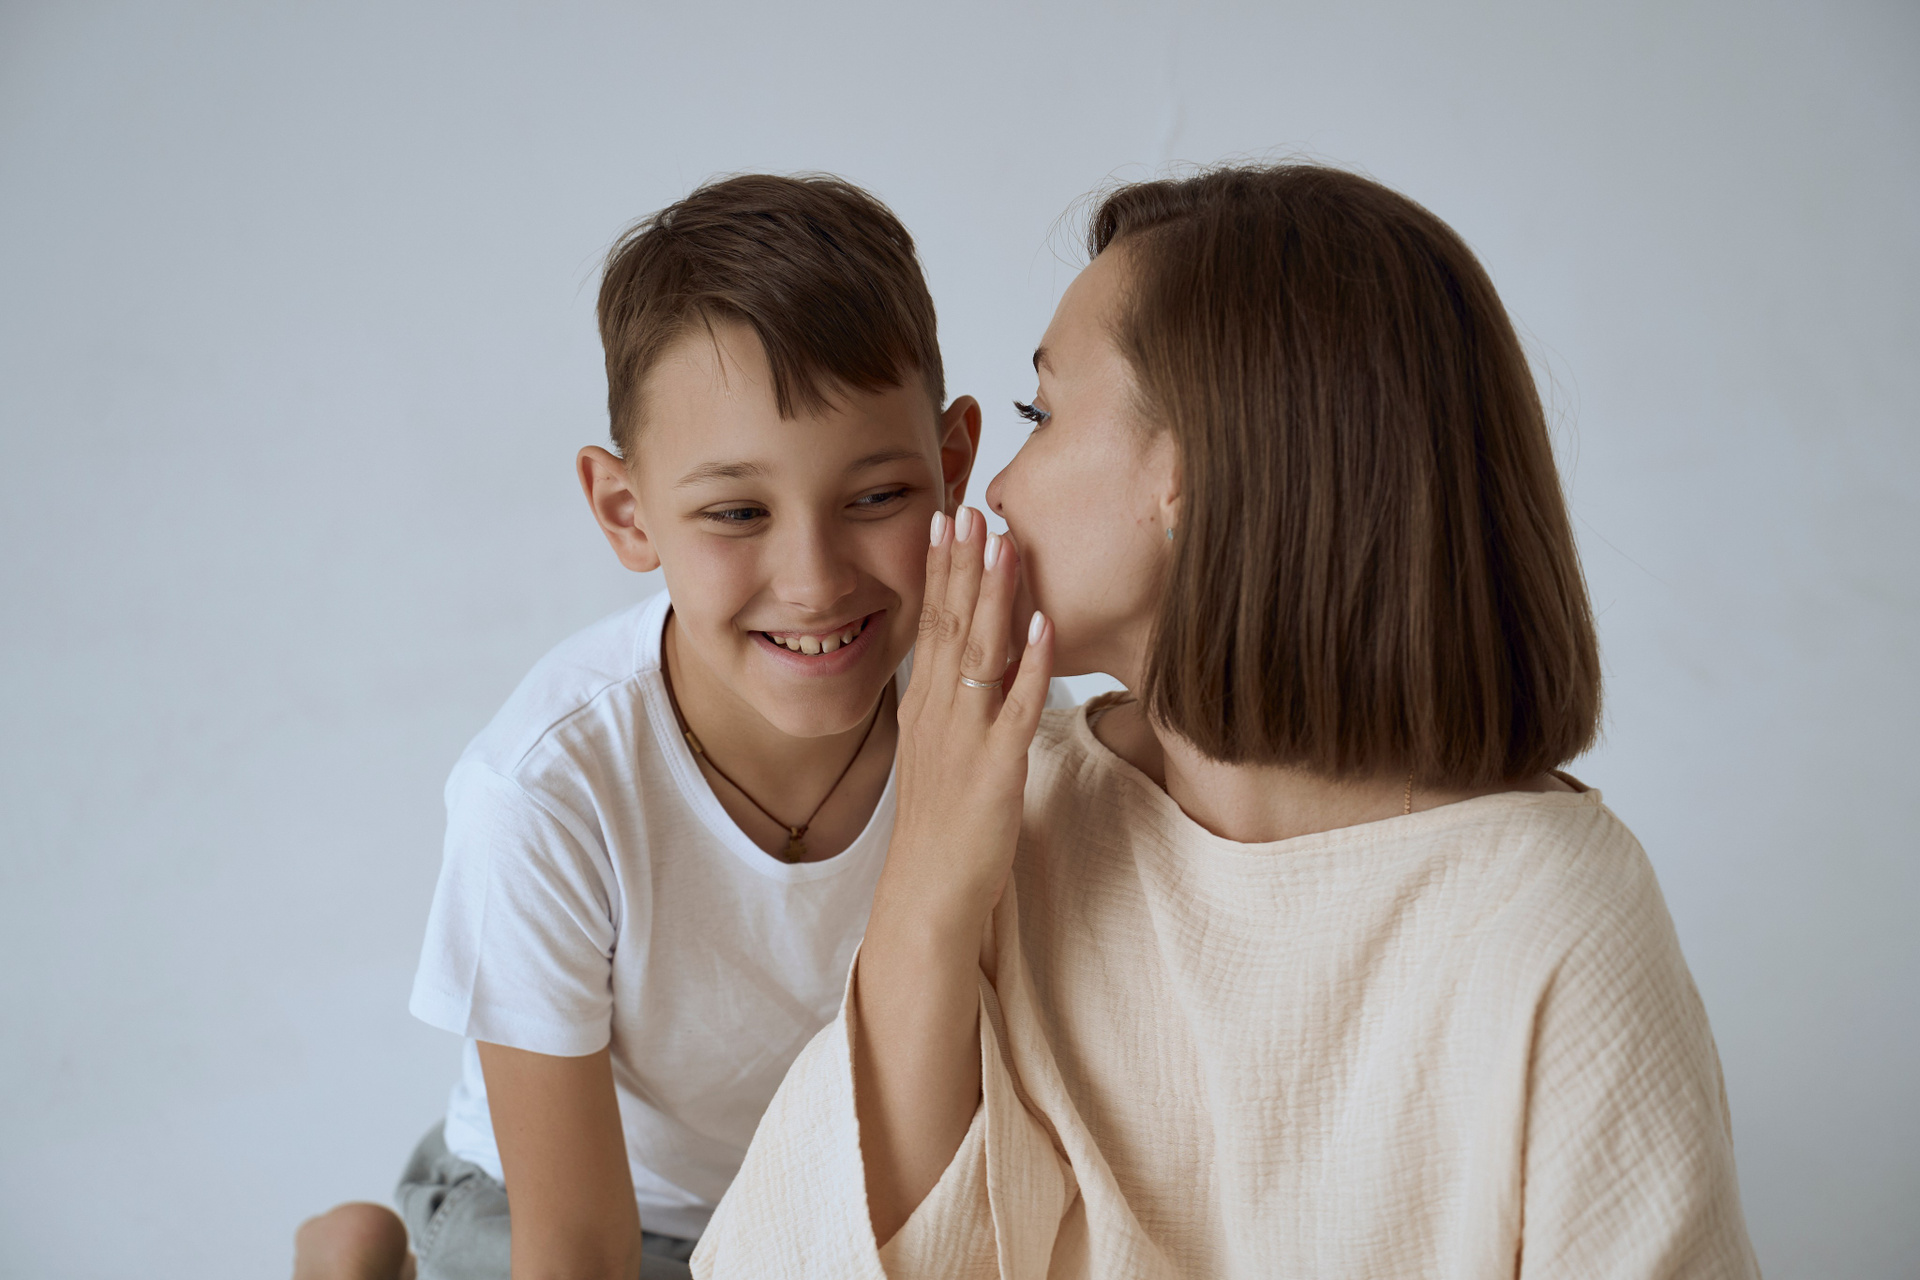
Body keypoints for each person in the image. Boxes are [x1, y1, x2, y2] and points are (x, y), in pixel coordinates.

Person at [694, 164, 1762, 1278]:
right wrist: (925, 877)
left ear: (1189, 472)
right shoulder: (1025, 799)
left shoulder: (1551, 920)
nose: (995, 491)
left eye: (1040, 415)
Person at [293, 173, 1051, 1280]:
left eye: (876, 496)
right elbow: (576, 1250)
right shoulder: (545, 789)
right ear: (627, 511)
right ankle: (364, 1259)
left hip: (822, 1208)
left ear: (949, 467)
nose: (814, 581)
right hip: (582, 1211)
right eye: (738, 512)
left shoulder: (998, 715)